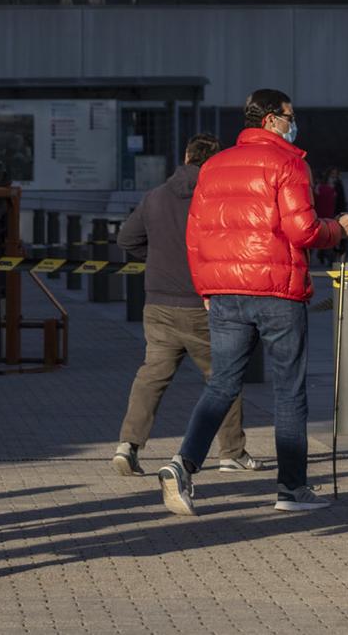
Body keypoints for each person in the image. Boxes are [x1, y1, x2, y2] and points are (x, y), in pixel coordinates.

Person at [158, 90, 348, 517]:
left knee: (222, 384)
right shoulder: (288, 162)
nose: (293, 122)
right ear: (270, 119)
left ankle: (183, 464)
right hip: (276, 290)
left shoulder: (212, 166)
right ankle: (291, 488)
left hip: (225, 292)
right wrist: (336, 229)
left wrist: (206, 289)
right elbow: (303, 231)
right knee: (289, 390)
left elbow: (195, 236)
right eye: (289, 116)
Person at [111, 135, 261, 477]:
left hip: (159, 303)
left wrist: (158, 261)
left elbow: (126, 239)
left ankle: (128, 446)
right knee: (224, 378)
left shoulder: (155, 196)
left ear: (185, 156)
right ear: (215, 163)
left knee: (151, 376)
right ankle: (231, 452)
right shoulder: (218, 197)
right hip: (204, 303)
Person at [313, 167, 348, 268]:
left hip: (328, 214)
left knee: (327, 237)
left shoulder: (333, 186)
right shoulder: (327, 187)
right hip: (325, 214)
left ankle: (325, 255)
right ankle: (325, 254)